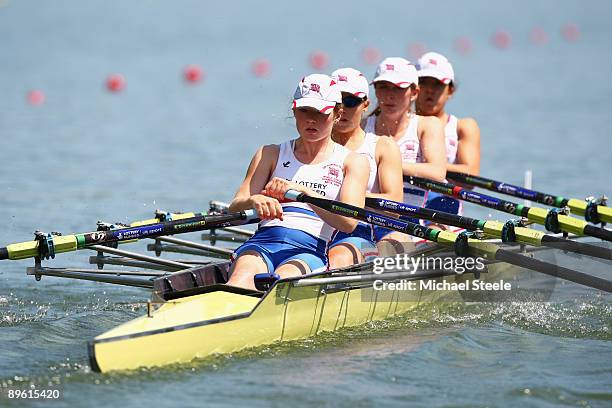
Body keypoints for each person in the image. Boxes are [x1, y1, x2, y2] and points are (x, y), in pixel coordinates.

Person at [227, 74, 369, 290]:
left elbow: (348, 223)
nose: (311, 120)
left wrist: (303, 194)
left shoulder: (353, 162)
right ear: (294, 110)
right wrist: (254, 200)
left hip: (309, 250)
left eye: (320, 112)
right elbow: (234, 208)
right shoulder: (269, 153)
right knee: (240, 279)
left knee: (282, 284)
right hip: (263, 243)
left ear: (337, 113)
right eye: (305, 111)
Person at [326, 67, 403, 268]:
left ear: (365, 105)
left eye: (350, 102)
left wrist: (349, 199)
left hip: (359, 231)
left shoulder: (382, 146)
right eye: (336, 101)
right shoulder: (313, 144)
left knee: (337, 258)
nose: (342, 109)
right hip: (315, 227)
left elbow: (395, 205)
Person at [364, 57, 446, 244]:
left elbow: (437, 172)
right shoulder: (361, 127)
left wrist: (389, 165)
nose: (389, 95)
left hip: (413, 217)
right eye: (383, 86)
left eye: (398, 88)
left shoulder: (426, 125)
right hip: (368, 216)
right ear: (375, 90)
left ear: (414, 92)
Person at [416, 52, 481, 215]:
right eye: (423, 82)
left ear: (450, 90)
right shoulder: (398, 124)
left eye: (437, 84)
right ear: (413, 88)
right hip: (404, 202)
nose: (430, 90)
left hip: (443, 204)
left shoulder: (463, 127)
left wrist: (430, 168)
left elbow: (470, 176)